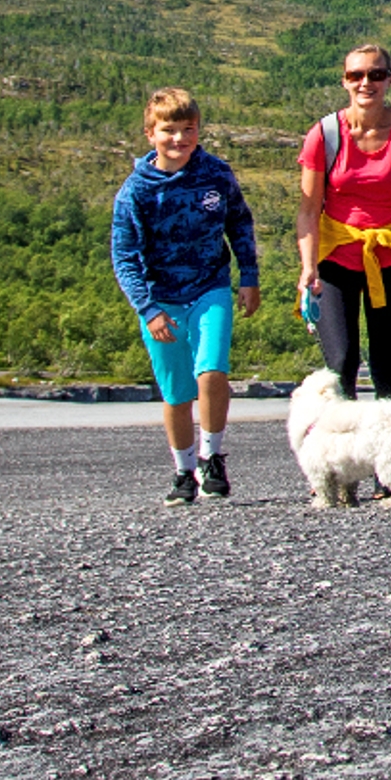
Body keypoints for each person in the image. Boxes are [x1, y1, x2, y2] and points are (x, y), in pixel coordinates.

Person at [109, 88, 262, 504]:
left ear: (198, 131)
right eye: (169, 130)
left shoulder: (215, 173)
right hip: (161, 301)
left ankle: (212, 456)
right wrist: (148, 309)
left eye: (188, 130)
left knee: (212, 371)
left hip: (210, 287)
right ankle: (183, 469)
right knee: (176, 392)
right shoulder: (136, 191)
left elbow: (240, 224)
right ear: (150, 133)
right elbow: (124, 256)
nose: (179, 139)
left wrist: (248, 277)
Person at [297, 43, 391, 401]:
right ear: (344, 81)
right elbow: (307, 210)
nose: (366, 83)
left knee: (387, 369)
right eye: (356, 75)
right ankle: (341, 451)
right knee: (341, 364)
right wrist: (307, 267)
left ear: (389, 80)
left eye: (376, 74)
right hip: (335, 258)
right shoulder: (325, 134)